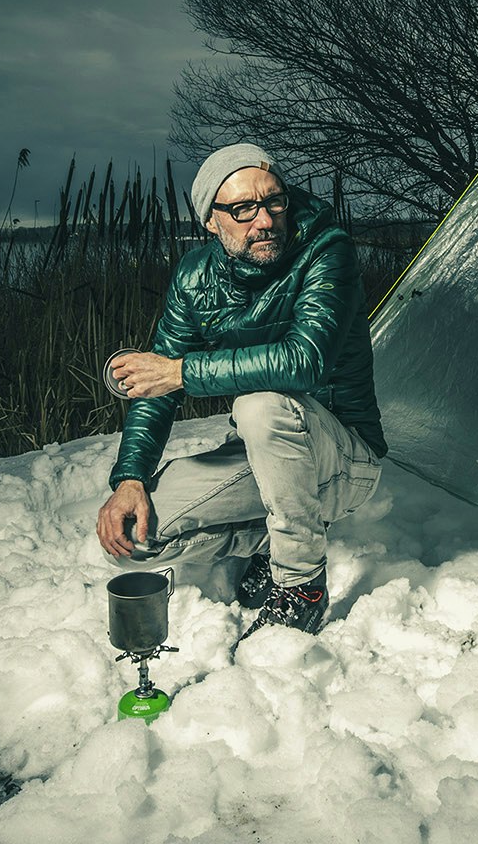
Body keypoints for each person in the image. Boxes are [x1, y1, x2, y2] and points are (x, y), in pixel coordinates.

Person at [95, 142, 387, 639]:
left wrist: (182, 371)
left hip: (344, 457)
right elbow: (156, 386)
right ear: (211, 220)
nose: (266, 220)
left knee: (260, 404)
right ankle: (271, 540)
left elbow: (303, 361)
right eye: (243, 209)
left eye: (274, 202)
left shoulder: (327, 251)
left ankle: (300, 583)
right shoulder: (195, 277)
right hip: (264, 455)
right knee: (140, 538)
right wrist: (129, 478)